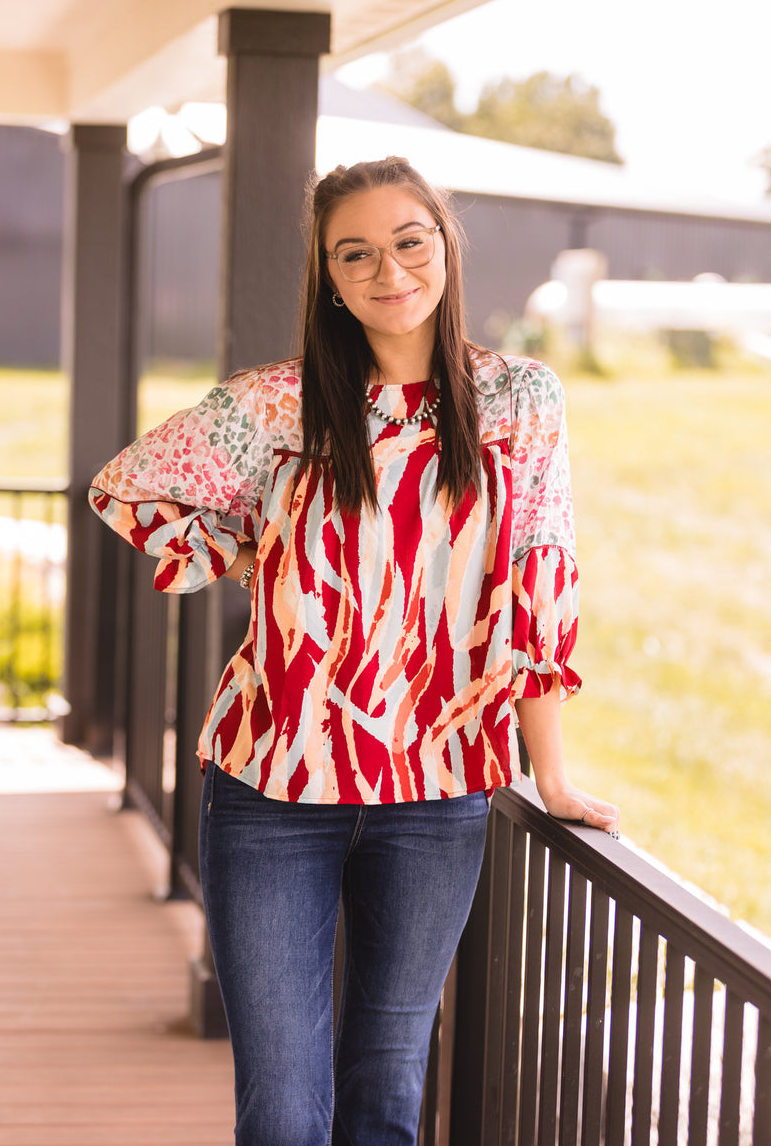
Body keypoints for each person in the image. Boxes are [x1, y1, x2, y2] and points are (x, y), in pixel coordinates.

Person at [89, 156, 619, 1145]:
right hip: (270, 793)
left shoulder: (516, 400)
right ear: (328, 277)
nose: (389, 270)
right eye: (356, 253)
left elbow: (536, 586)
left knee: (384, 1094)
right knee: (285, 1114)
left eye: (408, 241)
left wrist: (550, 775)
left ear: (445, 246)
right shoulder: (274, 404)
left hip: (437, 794)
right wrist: (244, 554)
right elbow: (127, 484)